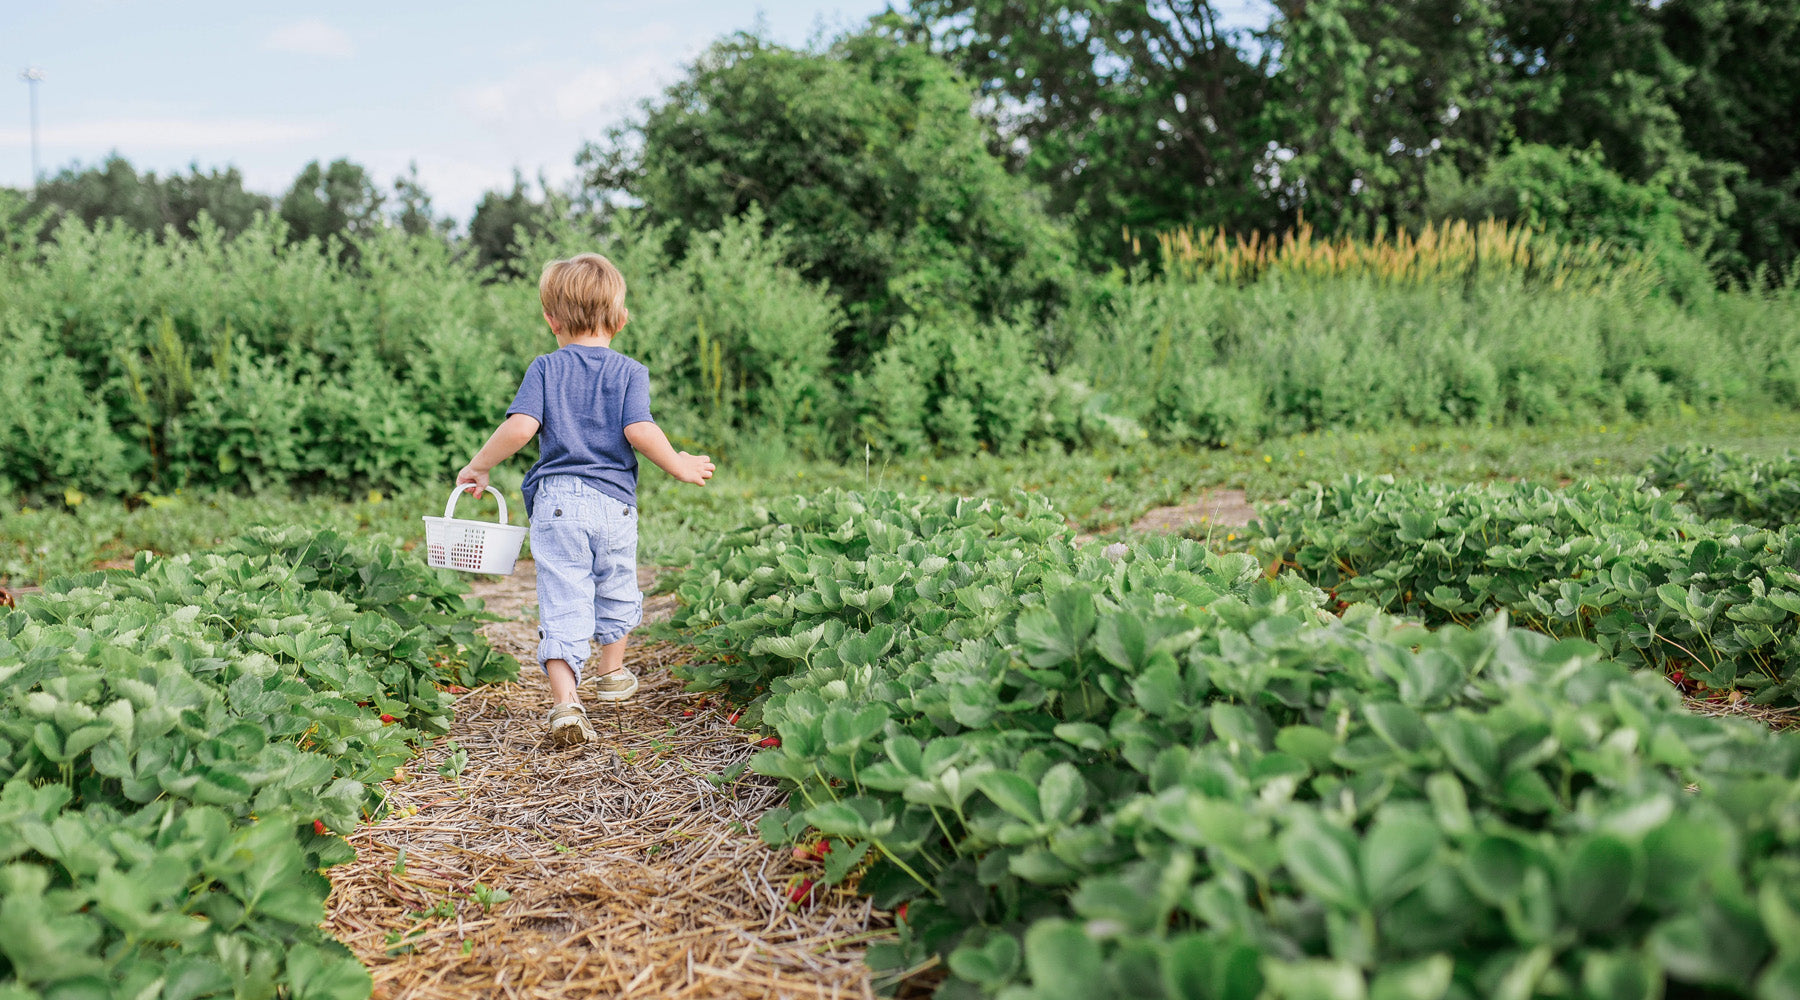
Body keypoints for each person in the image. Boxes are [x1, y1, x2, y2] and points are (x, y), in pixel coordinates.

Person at [456, 253, 715, 746]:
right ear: (620, 319)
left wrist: (480, 464)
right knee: (617, 584)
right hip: (614, 504)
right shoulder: (630, 371)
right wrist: (679, 464)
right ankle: (611, 672)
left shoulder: (545, 368)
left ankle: (566, 703)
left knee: (563, 598)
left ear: (551, 320)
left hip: (557, 503)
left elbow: (521, 427)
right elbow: (640, 430)